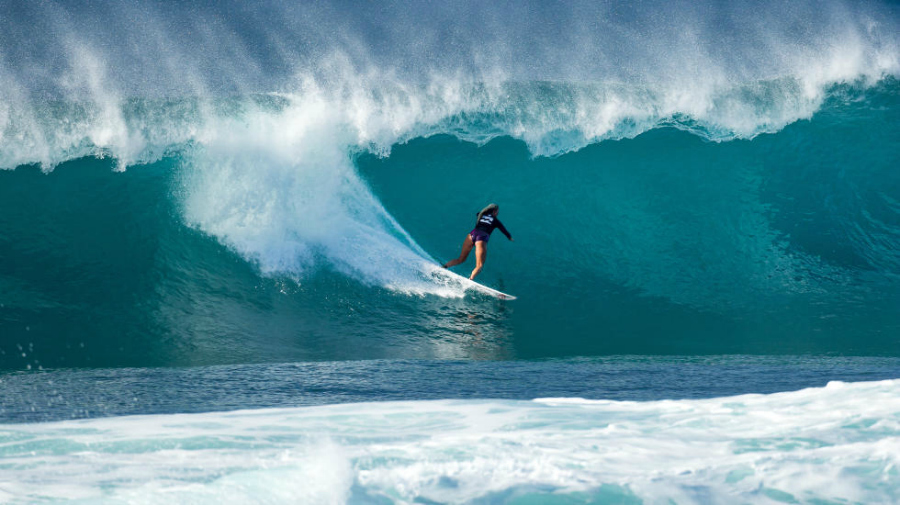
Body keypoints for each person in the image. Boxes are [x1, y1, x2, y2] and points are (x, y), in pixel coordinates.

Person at [442, 203, 513, 280]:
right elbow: (503, 230)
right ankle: (470, 279)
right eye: (498, 211)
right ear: (495, 212)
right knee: (479, 265)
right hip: (481, 238)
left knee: (460, 259)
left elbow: (478, 213)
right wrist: (510, 237)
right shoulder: (496, 221)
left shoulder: (481, 214)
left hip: (472, 234)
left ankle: (444, 267)